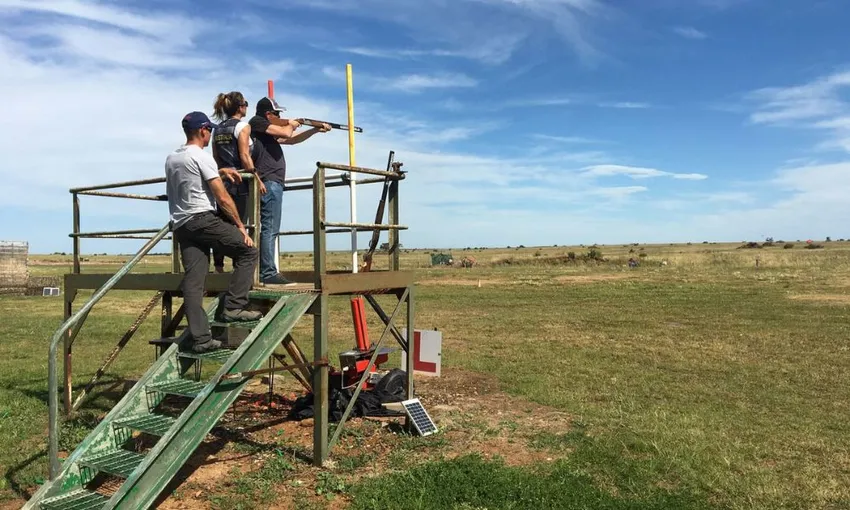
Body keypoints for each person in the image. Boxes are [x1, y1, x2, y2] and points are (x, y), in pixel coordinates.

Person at [165, 111, 263, 353]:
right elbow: (223, 197)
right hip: (202, 219)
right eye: (209, 130)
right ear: (202, 131)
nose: (209, 135)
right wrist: (240, 227)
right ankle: (234, 307)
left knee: (194, 282)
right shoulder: (202, 156)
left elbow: (192, 178)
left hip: (182, 225)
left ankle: (201, 340)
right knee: (248, 251)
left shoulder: (172, 158)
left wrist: (221, 171)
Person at [248, 96, 330, 284]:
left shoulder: (265, 131)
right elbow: (287, 133)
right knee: (269, 228)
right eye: (276, 114)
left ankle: (264, 271)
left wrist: (314, 129)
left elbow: (292, 139)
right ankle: (268, 273)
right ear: (268, 114)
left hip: (272, 182)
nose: (279, 117)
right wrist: (292, 124)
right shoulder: (258, 122)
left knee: (269, 228)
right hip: (269, 182)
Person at [209, 91, 266, 273]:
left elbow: (216, 157)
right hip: (240, 181)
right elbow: (244, 156)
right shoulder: (242, 126)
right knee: (241, 224)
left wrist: (222, 174)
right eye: (246, 104)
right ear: (241, 107)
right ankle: (238, 268)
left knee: (221, 224)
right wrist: (257, 178)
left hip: (222, 180)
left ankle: (218, 268)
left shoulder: (217, 129)